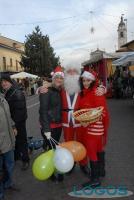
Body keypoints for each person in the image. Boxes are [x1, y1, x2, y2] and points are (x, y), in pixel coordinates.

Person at [39, 64, 106, 175]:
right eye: (69, 71)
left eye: (74, 71)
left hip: (80, 120)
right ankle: (71, 163)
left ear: (77, 73)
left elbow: (94, 86)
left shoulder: (82, 86)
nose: (71, 73)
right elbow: (51, 86)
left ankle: (83, 164)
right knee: (68, 143)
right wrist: (41, 88)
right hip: (65, 119)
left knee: (82, 142)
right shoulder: (61, 86)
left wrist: (103, 88)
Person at [79, 70, 109, 188]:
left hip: (94, 128)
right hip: (90, 127)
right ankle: (101, 171)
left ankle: (95, 179)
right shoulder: (85, 92)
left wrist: (87, 121)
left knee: (92, 151)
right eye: (84, 80)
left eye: (88, 80)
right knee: (98, 149)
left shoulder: (96, 92)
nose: (85, 82)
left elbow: (102, 112)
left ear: (92, 81)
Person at [39, 66, 64, 182]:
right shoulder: (46, 91)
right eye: (57, 77)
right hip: (49, 126)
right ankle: (51, 171)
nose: (59, 80)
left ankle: (56, 169)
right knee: (52, 149)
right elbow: (43, 111)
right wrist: (46, 129)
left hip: (58, 125)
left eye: (61, 78)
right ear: (53, 79)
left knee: (55, 148)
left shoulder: (61, 90)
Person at [0, 75, 30, 170]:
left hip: (18, 123)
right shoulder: (8, 92)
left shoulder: (16, 93)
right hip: (12, 123)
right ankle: (17, 156)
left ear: (10, 82)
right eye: (2, 82)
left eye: (6, 81)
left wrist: (14, 126)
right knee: (15, 140)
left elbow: (19, 112)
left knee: (22, 140)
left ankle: (26, 160)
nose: (4, 83)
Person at [0, 93, 17, 200]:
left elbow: (8, 115)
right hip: (1, 142)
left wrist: (13, 125)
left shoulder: (2, 98)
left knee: (10, 163)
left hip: (9, 139)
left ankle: (8, 183)